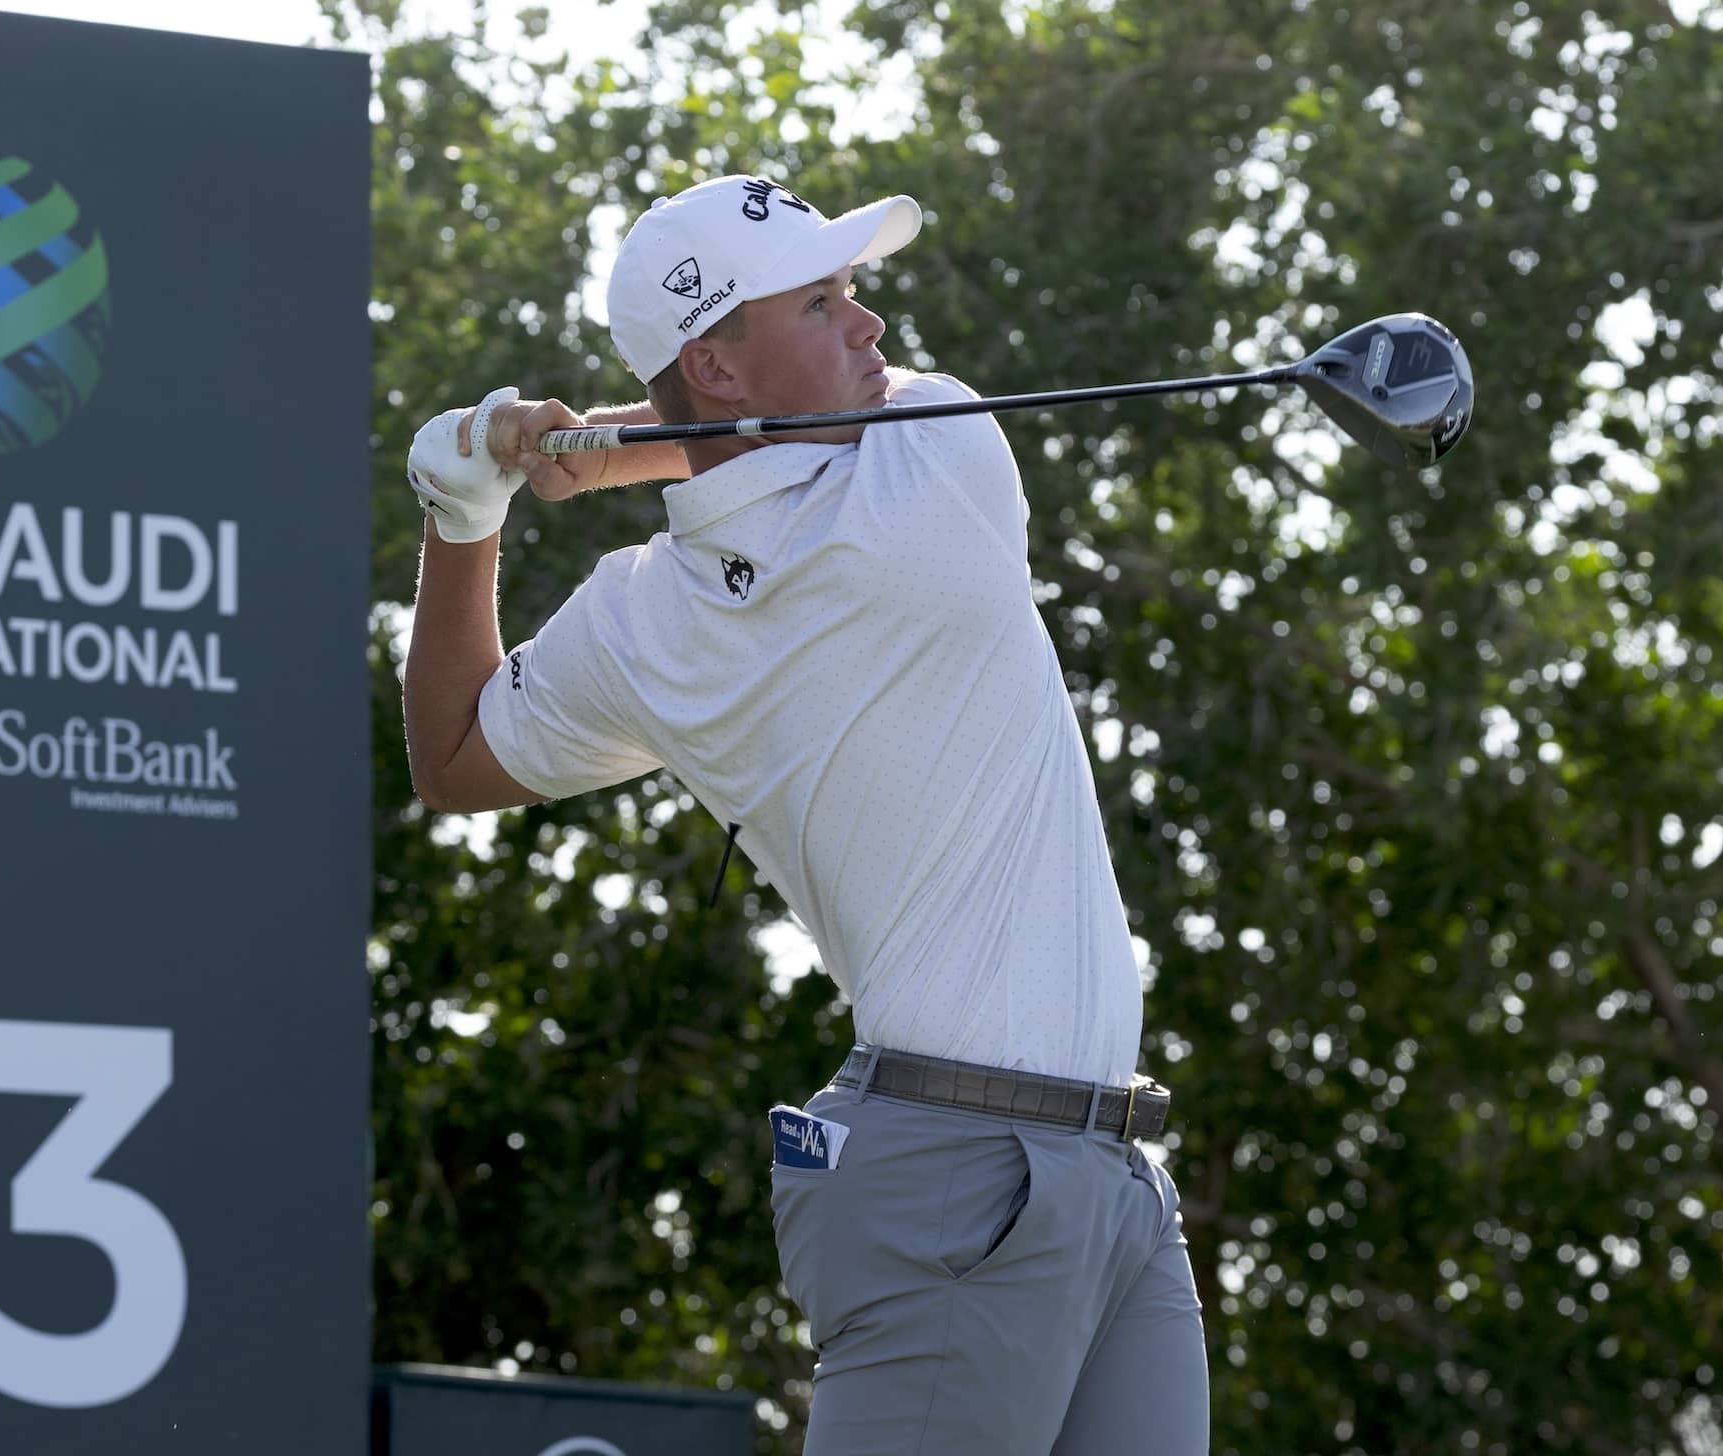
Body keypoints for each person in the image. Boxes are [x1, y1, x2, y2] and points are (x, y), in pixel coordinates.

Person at [400, 173, 1209, 1455]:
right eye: (823, 302)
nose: (870, 323)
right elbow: (457, 762)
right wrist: (584, 457)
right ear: (718, 363)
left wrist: (469, 511)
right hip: (956, 1173)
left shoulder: (650, 616)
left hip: (1114, 1174)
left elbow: (451, 752)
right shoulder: (935, 450)